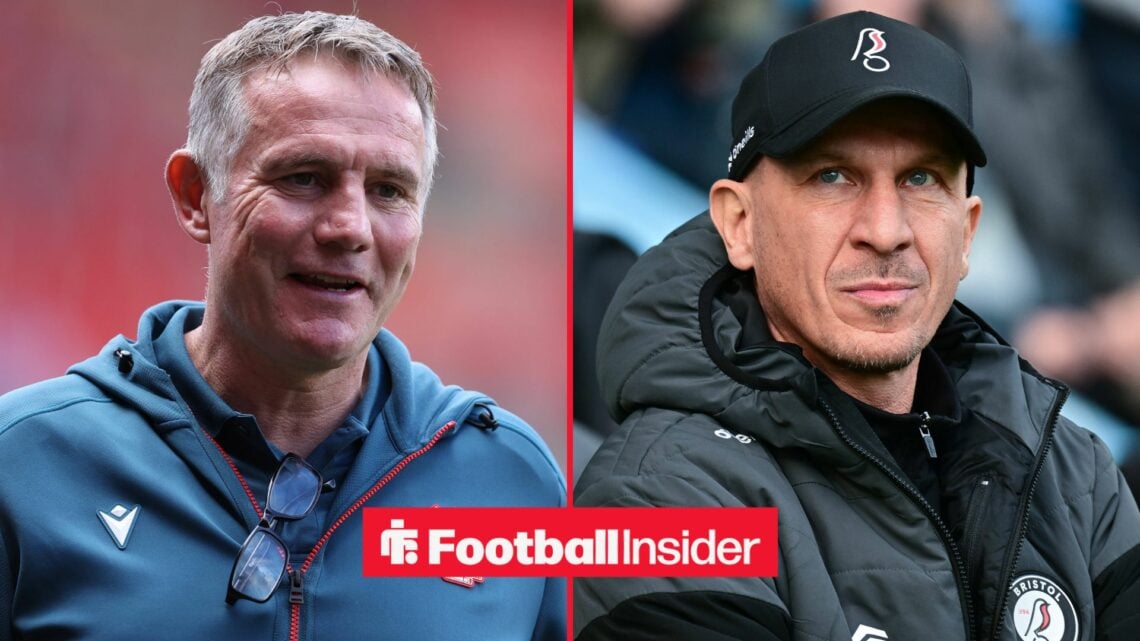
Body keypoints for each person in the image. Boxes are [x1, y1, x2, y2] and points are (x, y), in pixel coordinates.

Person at [574, 11, 1140, 641]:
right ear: (739, 224)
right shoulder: (661, 500)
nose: (886, 229)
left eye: (920, 178)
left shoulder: (1072, 471)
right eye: (832, 177)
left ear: (967, 230)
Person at [0, 11, 565, 641]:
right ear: (195, 194)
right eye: (304, 178)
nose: (350, 228)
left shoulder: (511, 479)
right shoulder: (23, 466)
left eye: (389, 190)